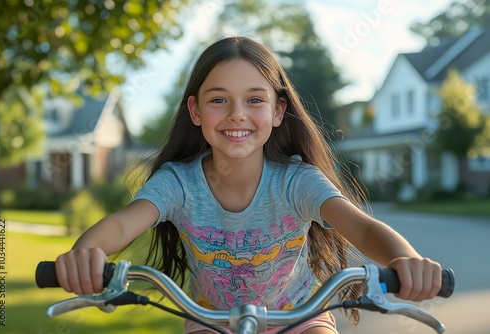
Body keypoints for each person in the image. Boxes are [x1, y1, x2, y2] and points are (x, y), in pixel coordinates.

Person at [55, 36, 442, 334]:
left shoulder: (298, 182)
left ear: (277, 111)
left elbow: (361, 226)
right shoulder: (177, 184)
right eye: (218, 100)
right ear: (195, 111)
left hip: (302, 317)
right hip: (212, 320)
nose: (237, 114)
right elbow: (123, 223)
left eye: (254, 99)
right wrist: (85, 253)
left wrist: (404, 260)